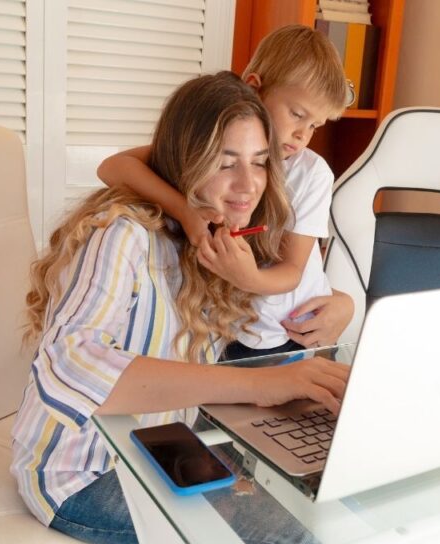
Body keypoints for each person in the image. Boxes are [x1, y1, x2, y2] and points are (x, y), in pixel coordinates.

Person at [11, 71, 350, 544]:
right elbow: (68, 362)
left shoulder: (218, 239)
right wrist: (257, 387)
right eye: (226, 162)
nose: (248, 184)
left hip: (162, 448)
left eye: (259, 163)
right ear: (185, 159)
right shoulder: (123, 234)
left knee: (323, 507)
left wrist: (343, 303)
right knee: (300, 543)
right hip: (82, 475)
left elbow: (287, 288)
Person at [98, 25, 352, 359]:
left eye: (315, 126)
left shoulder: (309, 173)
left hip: (290, 332)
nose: (303, 135)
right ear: (254, 90)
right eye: (297, 115)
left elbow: (293, 271)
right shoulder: (211, 144)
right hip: (228, 324)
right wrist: (185, 211)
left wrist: (249, 279)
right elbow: (112, 167)